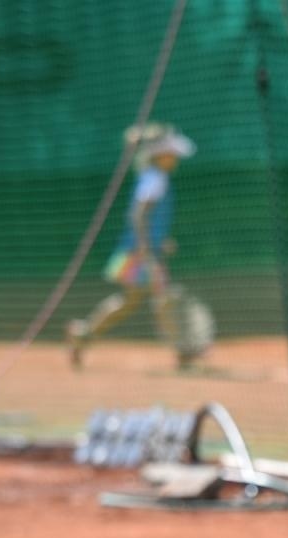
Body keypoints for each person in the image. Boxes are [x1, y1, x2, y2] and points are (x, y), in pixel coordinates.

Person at [68, 123, 206, 370]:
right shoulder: (156, 178)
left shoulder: (152, 177)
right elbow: (139, 214)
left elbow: (146, 217)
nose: (175, 159)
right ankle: (184, 351)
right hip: (140, 254)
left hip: (136, 251)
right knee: (162, 298)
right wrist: (146, 250)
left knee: (130, 300)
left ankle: (83, 333)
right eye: (172, 154)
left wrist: (159, 241)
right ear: (160, 155)